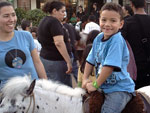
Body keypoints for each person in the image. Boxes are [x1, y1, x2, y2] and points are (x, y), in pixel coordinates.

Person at [82, 2, 135, 113]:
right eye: (104, 20)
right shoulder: (99, 37)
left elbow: (109, 67)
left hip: (119, 88)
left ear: (121, 24)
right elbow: (90, 60)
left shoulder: (116, 40)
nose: (107, 24)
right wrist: (85, 78)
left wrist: (95, 84)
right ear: (99, 21)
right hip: (104, 86)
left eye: (113, 21)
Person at [0, 1, 47, 89]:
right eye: (6, 16)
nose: (12, 19)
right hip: (10, 96)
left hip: (33, 90)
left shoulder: (26, 36)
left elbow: (37, 62)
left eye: (13, 15)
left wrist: (46, 86)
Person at [37, 1, 73, 87]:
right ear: (54, 11)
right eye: (62, 11)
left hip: (47, 58)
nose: (64, 14)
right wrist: (68, 61)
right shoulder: (54, 22)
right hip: (56, 61)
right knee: (60, 88)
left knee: (52, 85)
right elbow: (59, 42)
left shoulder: (44, 20)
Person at [121, 0, 150, 89]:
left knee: (137, 98)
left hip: (134, 69)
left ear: (132, 5)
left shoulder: (127, 23)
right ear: (145, 4)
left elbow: (120, 43)